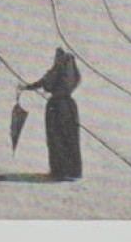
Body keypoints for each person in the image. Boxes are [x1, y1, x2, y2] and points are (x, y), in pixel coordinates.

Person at [20, 47, 83, 180]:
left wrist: (28, 87)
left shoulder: (57, 69)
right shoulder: (73, 72)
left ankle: (59, 170)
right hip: (70, 106)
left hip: (56, 106)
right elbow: (77, 80)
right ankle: (73, 170)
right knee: (70, 138)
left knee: (56, 138)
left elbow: (46, 83)